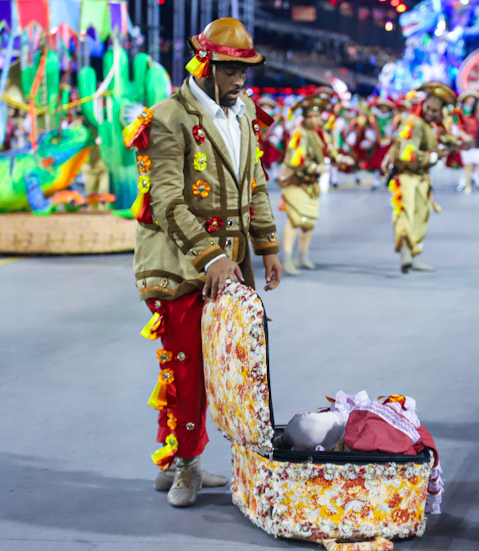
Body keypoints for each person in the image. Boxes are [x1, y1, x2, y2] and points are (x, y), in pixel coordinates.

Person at [123, 17, 283, 508]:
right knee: (185, 365)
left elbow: (253, 183)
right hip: (179, 264)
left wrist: (267, 244)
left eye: (245, 71)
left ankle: (173, 456)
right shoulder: (170, 116)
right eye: (233, 71)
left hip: (229, 262)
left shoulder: (245, 111)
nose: (241, 81)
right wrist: (209, 255)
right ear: (208, 65)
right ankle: (187, 467)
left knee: (219, 365)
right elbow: (167, 198)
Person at [381, 83, 459, 273]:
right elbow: (407, 153)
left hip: (423, 177)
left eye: (436, 111)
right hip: (406, 175)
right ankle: (405, 254)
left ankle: (415, 254)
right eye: (429, 109)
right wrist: (431, 156)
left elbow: (449, 140)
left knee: (422, 214)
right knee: (405, 213)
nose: (432, 113)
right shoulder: (413, 123)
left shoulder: (433, 125)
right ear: (423, 105)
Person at [279, 95, 353, 275]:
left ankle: (302, 256)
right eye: (310, 116)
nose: (314, 120)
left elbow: (333, 152)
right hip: (296, 182)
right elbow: (297, 161)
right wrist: (317, 168)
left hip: (311, 183)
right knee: (295, 219)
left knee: (309, 221)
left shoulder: (321, 134)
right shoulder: (299, 134)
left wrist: (343, 159)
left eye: (317, 116)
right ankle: (287, 258)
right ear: (304, 118)